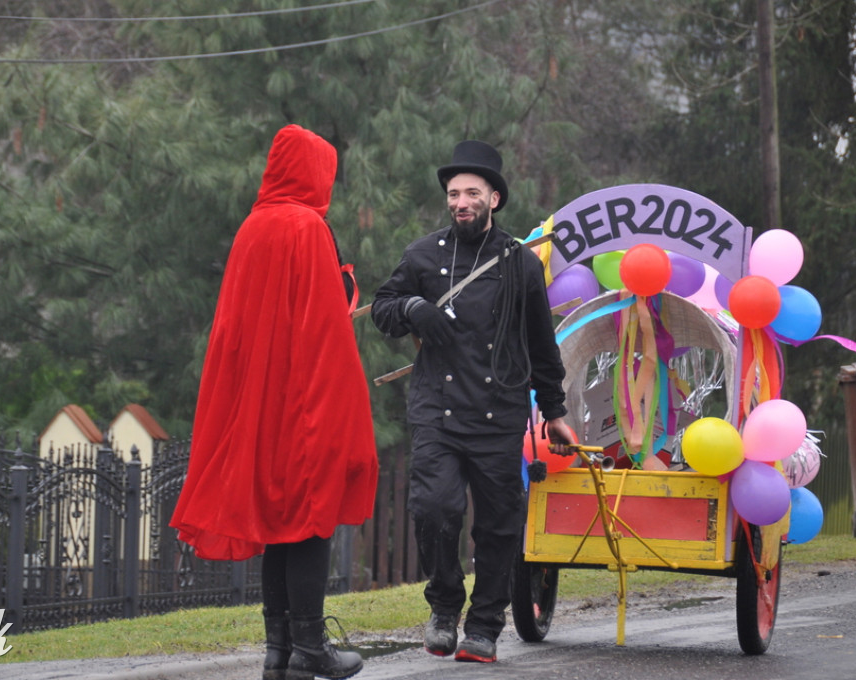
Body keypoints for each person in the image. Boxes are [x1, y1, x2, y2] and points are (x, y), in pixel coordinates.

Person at [170, 124, 379, 680]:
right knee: (311, 518)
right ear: (312, 172)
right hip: (303, 402)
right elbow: (321, 327)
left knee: (278, 523)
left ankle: (278, 651)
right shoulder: (307, 227)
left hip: (260, 405)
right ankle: (310, 647)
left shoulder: (252, 227)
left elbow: (238, 330)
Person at [370, 140, 575, 663]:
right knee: (434, 508)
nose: (460, 201)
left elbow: (541, 344)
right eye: (453, 193)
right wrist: (415, 306)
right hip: (436, 407)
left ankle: (484, 626)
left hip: (498, 409)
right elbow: (384, 308)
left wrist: (554, 412)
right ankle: (443, 608)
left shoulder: (520, 265)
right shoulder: (421, 255)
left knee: (498, 524)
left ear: (494, 199)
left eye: (471, 193)